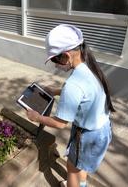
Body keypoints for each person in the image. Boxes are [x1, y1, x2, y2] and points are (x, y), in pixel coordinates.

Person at [26, 24, 115, 187]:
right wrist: (57, 91)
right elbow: (85, 93)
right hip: (102, 130)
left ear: (66, 56)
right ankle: (82, 184)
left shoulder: (73, 84)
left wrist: (37, 117)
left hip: (87, 137)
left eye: (54, 59)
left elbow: (60, 123)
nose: (54, 64)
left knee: (72, 168)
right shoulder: (90, 67)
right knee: (81, 164)